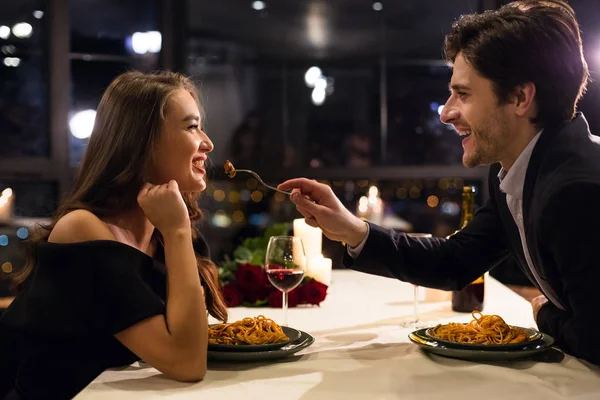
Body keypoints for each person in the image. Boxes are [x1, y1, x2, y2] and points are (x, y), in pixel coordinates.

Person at [279, 0, 600, 365]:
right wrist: (352, 230)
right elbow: (455, 262)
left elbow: (595, 339)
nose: (446, 113)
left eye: (463, 94)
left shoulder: (579, 190)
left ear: (520, 98)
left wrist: (544, 315)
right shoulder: (516, 172)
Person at [0, 71, 228, 399]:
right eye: (192, 126)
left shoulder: (164, 231)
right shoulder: (82, 230)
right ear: (142, 141)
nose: (207, 143)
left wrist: (177, 233)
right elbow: (188, 364)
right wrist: (177, 232)